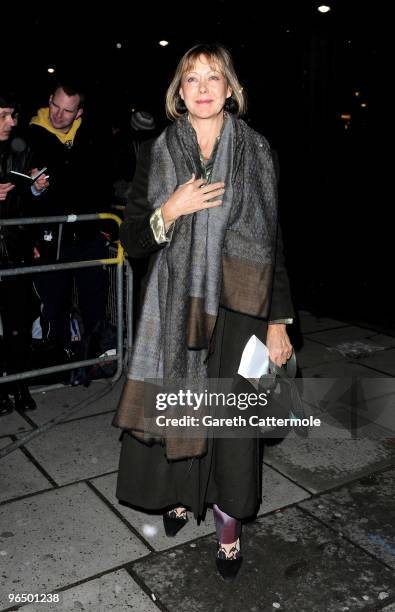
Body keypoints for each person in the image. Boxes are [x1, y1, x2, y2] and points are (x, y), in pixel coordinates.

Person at [112, 43, 294, 580]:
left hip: (243, 309)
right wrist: (169, 210)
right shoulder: (158, 151)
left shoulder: (259, 151)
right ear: (178, 92)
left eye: (214, 77)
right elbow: (132, 239)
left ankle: (230, 523)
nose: (204, 87)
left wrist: (279, 321)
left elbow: (274, 241)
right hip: (176, 306)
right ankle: (180, 494)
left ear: (231, 88)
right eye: (192, 79)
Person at [28, 81, 112, 381]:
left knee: (94, 303)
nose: (58, 115)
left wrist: (105, 229)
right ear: (49, 99)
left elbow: (103, 182)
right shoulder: (29, 136)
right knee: (54, 303)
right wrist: (34, 191)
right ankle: (58, 365)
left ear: (79, 113)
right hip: (51, 238)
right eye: (55, 106)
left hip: (88, 237)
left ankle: (90, 364)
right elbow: (16, 195)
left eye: (67, 111)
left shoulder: (88, 137)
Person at [0, 90, 49, 415]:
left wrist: (34, 188)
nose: (11, 122)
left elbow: (25, 201)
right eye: (3, 115)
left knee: (19, 319)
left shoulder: (20, 148)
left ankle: (19, 384)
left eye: (12, 116)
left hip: (14, 247)